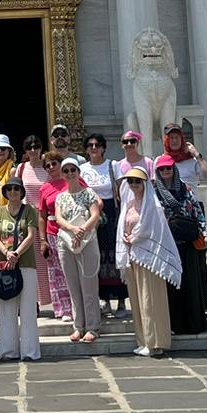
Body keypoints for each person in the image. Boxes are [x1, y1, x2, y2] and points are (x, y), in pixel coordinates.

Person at [117, 170, 180, 358]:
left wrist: (135, 237)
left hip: (148, 256)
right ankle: (143, 339)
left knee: (149, 299)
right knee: (137, 300)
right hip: (132, 255)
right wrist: (126, 238)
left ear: (145, 183)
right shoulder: (129, 204)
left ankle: (155, 342)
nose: (134, 184)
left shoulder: (152, 206)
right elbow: (123, 225)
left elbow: (152, 229)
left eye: (137, 181)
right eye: (130, 181)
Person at [153, 155, 207, 336]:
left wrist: (206, 233)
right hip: (167, 244)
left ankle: (193, 324)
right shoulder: (154, 191)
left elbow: (197, 212)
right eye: (162, 169)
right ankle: (174, 324)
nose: (166, 172)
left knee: (190, 283)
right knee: (171, 285)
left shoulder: (185, 189)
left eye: (168, 168)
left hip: (187, 242)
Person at [53, 157, 103, 343]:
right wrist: (73, 230)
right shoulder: (61, 196)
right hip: (66, 242)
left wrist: (82, 231)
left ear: (78, 172)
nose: (70, 174)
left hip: (87, 241)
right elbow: (58, 219)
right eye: (66, 171)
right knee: (73, 286)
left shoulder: (88, 193)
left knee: (89, 285)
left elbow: (95, 214)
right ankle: (78, 326)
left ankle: (92, 327)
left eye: (73, 170)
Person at [0, 176, 40, 362]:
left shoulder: (29, 210)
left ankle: (29, 351)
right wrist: (6, 252)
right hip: (5, 266)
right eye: (9, 189)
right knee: (6, 308)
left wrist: (16, 254)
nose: (13, 192)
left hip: (25, 263)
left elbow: (30, 235)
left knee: (27, 309)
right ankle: (8, 351)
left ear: (21, 192)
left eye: (16, 189)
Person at [81, 134, 129, 320]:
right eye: (91, 145)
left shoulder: (113, 165)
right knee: (97, 257)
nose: (94, 148)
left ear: (103, 148)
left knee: (115, 257)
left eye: (98, 145)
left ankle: (122, 301)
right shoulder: (83, 169)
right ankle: (105, 301)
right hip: (91, 214)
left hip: (111, 212)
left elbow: (121, 191)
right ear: (86, 149)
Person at [38, 151, 72, 321]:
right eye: (47, 166)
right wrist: (42, 239)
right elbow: (42, 215)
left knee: (73, 270)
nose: (51, 168)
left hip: (72, 232)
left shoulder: (72, 181)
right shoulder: (45, 188)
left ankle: (76, 307)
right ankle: (63, 309)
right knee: (56, 273)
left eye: (54, 164)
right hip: (52, 232)